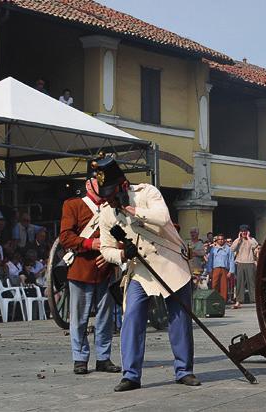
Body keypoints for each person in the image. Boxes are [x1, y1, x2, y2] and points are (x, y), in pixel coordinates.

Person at [96, 156, 199, 391]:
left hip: (169, 261)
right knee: (131, 316)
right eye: (106, 197)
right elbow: (106, 248)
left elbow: (163, 219)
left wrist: (130, 209)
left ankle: (184, 370)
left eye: (113, 195)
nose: (110, 201)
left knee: (179, 318)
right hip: (139, 269)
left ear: (123, 187)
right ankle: (131, 374)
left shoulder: (147, 193)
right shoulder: (106, 213)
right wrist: (122, 255)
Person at [59, 176, 120, 375]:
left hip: (106, 269)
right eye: (97, 182)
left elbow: (122, 235)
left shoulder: (111, 207)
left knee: (105, 318)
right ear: (88, 185)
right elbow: (65, 237)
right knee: (79, 319)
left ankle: (103, 357)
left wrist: (111, 252)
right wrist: (89, 244)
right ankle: (80, 358)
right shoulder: (73, 205)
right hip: (81, 268)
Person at [231, 224, 258, 309]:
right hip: (240, 262)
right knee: (240, 283)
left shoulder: (252, 239)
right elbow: (232, 249)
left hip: (250, 262)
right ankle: (238, 301)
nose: (244, 233)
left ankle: (254, 300)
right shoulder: (238, 240)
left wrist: (249, 238)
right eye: (242, 231)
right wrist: (239, 239)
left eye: (245, 231)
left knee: (251, 282)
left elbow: (255, 246)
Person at [204, 234, 235, 301]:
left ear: (224, 240)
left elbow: (231, 260)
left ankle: (223, 301)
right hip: (216, 269)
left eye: (222, 239)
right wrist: (209, 270)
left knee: (224, 286)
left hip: (224, 269)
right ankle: (214, 300)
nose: (221, 240)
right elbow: (210, 260)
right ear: (217, 241)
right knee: (214, 285)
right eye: (219, 239)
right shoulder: (213, 249)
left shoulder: (228, 249)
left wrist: (231, 271)